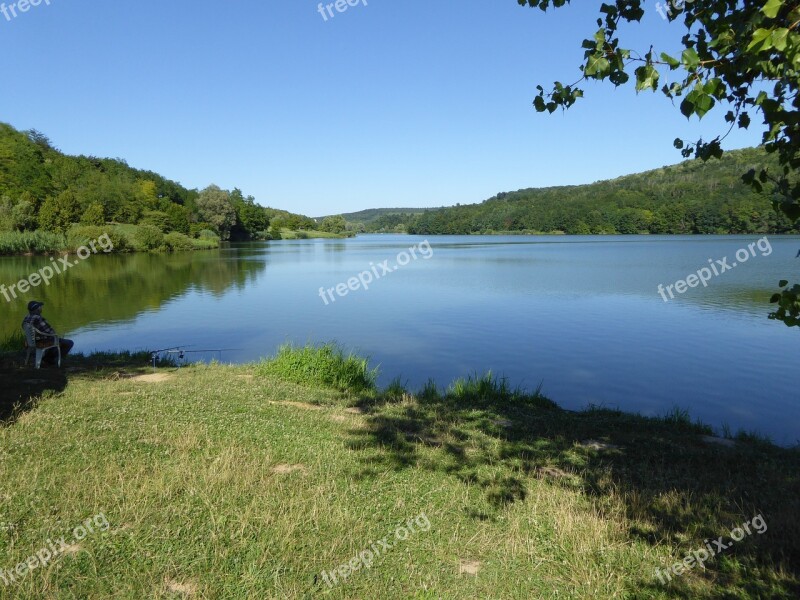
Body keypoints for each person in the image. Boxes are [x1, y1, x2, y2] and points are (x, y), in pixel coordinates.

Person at [21, 301, 74, 366]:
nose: (41, 308)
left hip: (30, 342)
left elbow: (25, 327)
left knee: (55, 341)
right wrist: (55, 335)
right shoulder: (38, 318)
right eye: (40, 307)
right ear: (37, 309)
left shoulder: (26, 317)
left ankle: (48, 358)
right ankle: (50, 359)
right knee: (69, 343)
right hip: (40, 342)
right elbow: (50, 332)